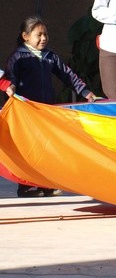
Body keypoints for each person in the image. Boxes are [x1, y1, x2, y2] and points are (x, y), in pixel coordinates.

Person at [5, 16, 96, 198]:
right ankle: (26, 186)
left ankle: (46, 185)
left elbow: (67, 75)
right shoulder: (18, 57)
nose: (43, 38)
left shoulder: (50, 56)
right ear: (25, 36)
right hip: (27, 113)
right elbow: (10, 78)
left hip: (46, 112)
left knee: (46, 149)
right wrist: (10, 87)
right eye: (38, 35)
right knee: (28, 149)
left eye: (45, 34)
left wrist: (85, 92)